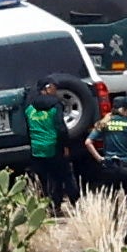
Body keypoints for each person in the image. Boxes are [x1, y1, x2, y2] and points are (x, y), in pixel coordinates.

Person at [86, 93, 127, 244]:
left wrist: (99, 158)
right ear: (122, 110)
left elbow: (88, 142)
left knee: (111, 200)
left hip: (109, 167)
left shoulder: (104, 123)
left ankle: (112, 231)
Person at [22, 79, 75, 214]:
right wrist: (66, 146)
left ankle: (47, 207)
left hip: (37, 149)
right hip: (54, 148)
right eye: (54, 88)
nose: (56, 90)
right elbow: (60, 128)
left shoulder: (29, 109)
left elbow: (28, 130)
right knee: (63, 176)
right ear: (47, 89)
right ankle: (74, 204)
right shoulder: (55, 106)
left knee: (43, 180)